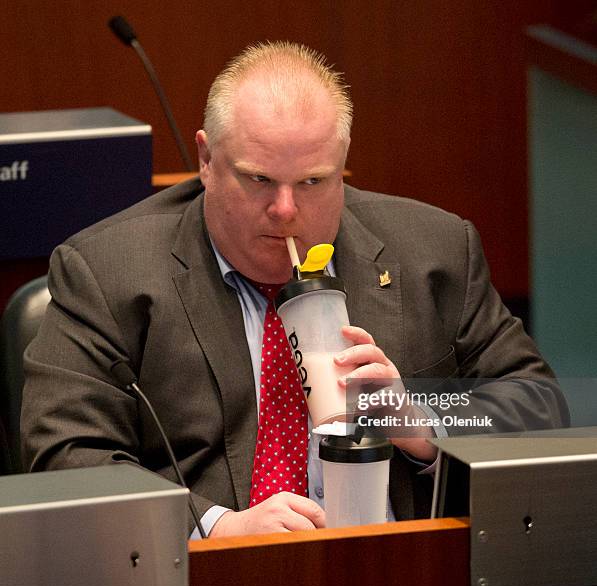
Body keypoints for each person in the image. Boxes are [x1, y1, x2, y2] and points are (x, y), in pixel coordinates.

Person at [21, 42, 568, 537]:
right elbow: (65, 454)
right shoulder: (107, 271)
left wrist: (426, 419)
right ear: (207, 160)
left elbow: (539, 405)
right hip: (208, 583)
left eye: (312, 182)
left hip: (400, 573)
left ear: (341, 169)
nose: (286, 211)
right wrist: (212, 526)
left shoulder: (435, 251)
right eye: (259, 179)